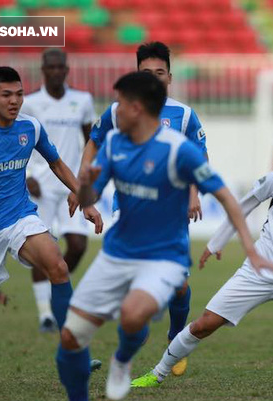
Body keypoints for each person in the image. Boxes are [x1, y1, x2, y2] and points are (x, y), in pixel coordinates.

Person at [49, 71, 273, 401]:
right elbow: (90, 196)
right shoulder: (113, 144)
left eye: (122, 104)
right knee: (71, 336)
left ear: (137, 108)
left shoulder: (178, 151)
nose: (115, 110)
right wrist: (84, 189)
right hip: (117, 253)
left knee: (132, 314)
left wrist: (249, 248)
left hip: (164, 258)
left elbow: (226, 197)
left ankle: (122, 362)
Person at [131, 128, 273, 391]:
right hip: (257, 270)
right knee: (204, 325)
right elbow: (243, 205)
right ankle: (157, 373)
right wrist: (216, 242)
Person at [0, 67, 102, 386]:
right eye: (6, 95)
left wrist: (83, 198)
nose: (15, 101)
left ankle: (74, 351)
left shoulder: (31, 126)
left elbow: (56, 162)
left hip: (20, 216)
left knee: (57, 266)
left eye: (18, 94)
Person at [75, 41, 207, 376]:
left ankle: (175, 336)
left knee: (179, 288)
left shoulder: (184, 115)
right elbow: (94, 140)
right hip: (128, 211)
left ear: (170, 78)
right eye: (146, 73)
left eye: (159, 73)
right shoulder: (119, 111)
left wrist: (194, 193)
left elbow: (198, 160)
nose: (153, 78)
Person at [22, 48, 97, 332]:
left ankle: (58, 286)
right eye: (50, 67)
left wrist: (86, 181)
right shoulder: (29, 103)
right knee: (44, 250)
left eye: (60, 67)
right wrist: (27, 174)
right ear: (43, 70)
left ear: (67, 69)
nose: (55, 71)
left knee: (78, 246)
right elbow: (20, 142)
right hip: (39, 186)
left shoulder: (83, 100)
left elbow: (92, 141)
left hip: (71, 188)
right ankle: (46, 315)